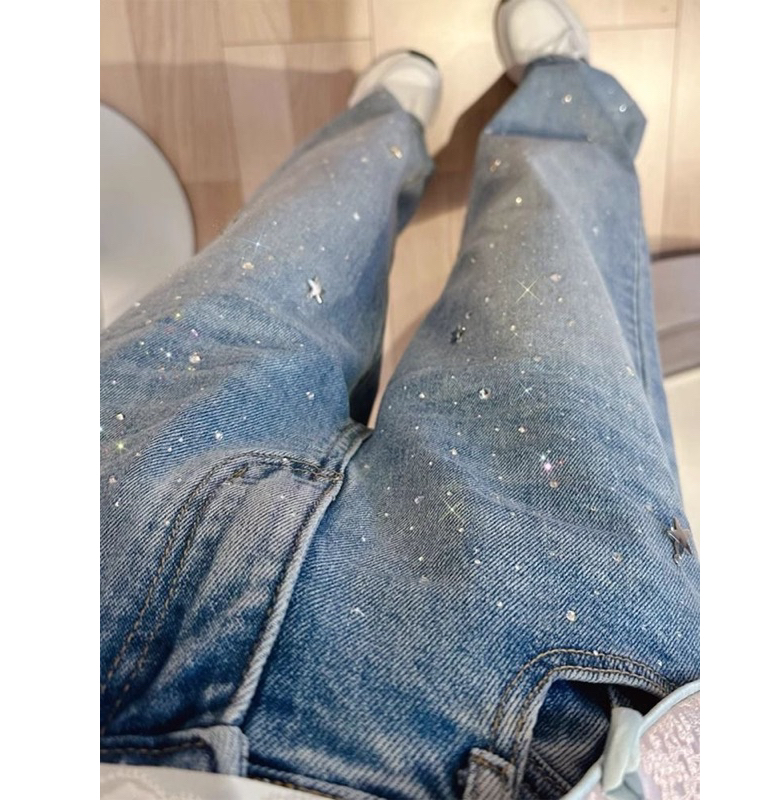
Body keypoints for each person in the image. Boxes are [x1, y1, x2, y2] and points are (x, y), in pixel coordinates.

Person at [100, 0, 700, 798]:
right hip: (552, 715)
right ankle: (563, 91)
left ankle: (381, 127)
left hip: (107, 590)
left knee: (286, 246)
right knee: (554, 254)